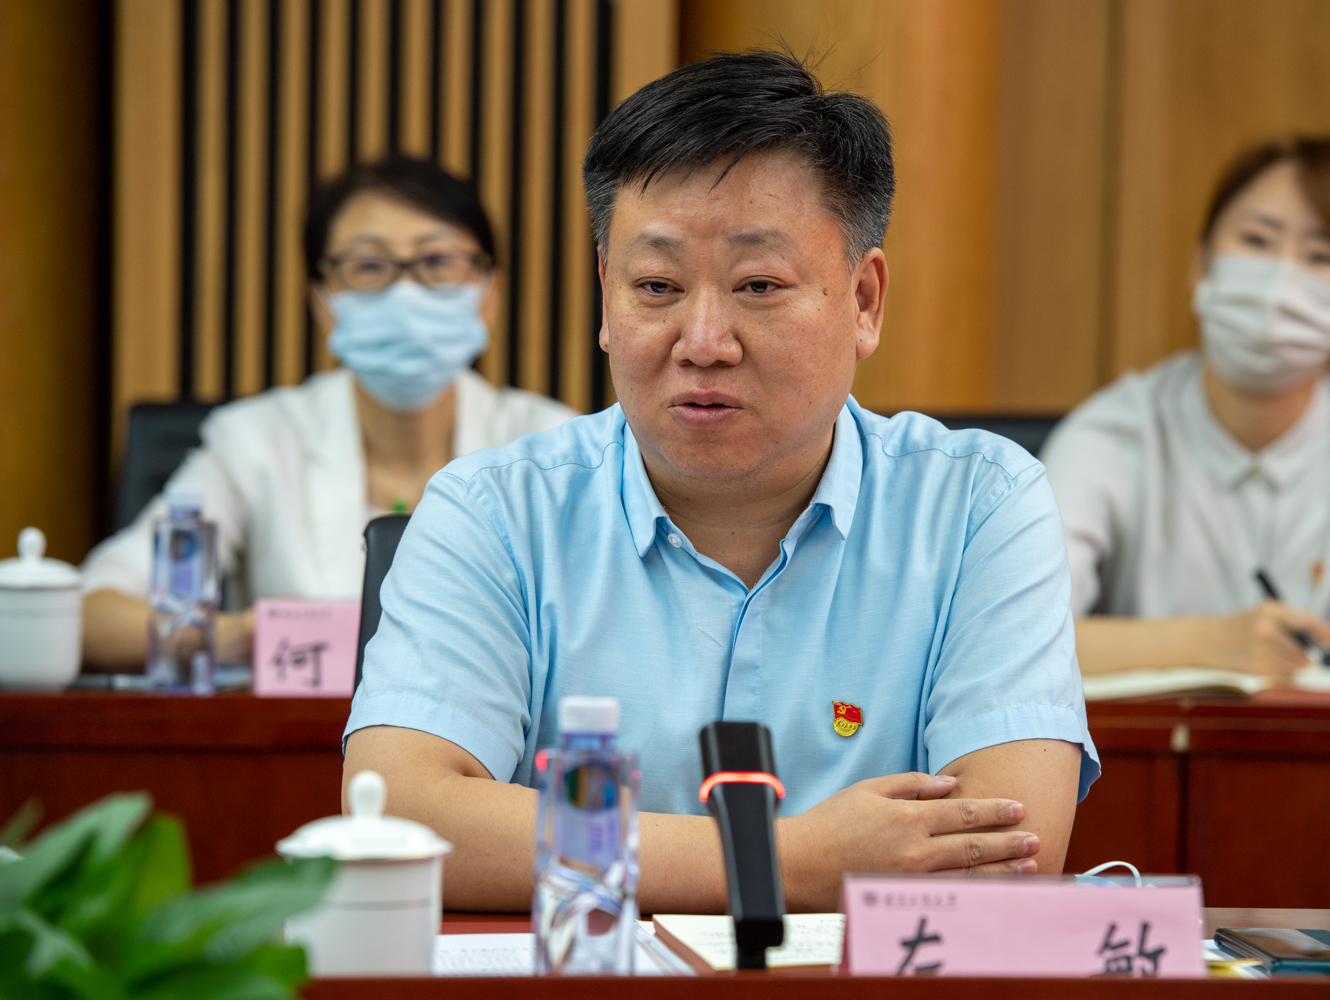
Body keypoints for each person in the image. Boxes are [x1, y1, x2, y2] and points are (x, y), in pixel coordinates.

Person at [344, 51, 1098, 914]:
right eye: (657, 286)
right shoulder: (494, 512)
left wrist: (608, 853)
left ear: (864, 300)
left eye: (758, 285)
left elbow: (1004, 848)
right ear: (606, 293)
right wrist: (786, 862)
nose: (703, 341)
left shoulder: (977, 506)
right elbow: (398, 816)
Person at [1042, 136, 1330, 697]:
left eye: (1321, 257)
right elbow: (1014, 635)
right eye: (1257, 241)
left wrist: (1325, 667)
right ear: (1201, 266)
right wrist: (1209, 644)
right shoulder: (1110, 432)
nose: (1280, 282)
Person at [81, 156, 575, 669]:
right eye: (369, 266)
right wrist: (245, 637)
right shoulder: (256, 441)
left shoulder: (553, 445)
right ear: (323, 301)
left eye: (437, 262)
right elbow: (92, 613)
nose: (405, 293)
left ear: (488, 293)